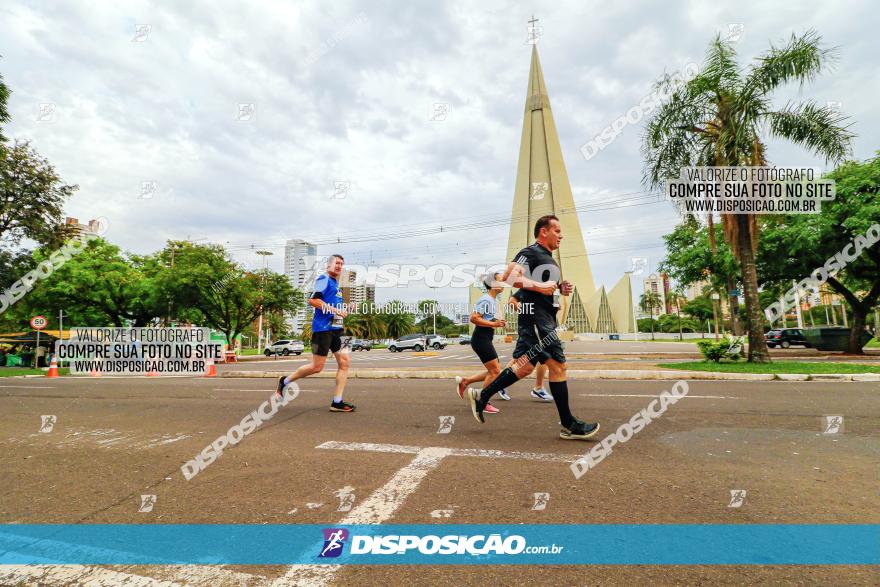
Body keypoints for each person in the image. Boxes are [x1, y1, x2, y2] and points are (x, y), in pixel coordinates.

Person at [466, 215, 600, 440]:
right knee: (558, 366)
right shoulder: (530, 251)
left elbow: (536, 288)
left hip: (544, 318)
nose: (561, 235)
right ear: (543, 232)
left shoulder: (545, 258)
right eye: (557, 231)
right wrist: (541, 287)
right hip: (537, 321)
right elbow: (509, 277)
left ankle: (482, 396)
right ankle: (568, 425)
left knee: (524, 367)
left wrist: (558, 287)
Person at [274, 254, 355, 412]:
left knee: (345, 363)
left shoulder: (336, 285)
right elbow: (313, 300)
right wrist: (335, 309)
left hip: (338, 329)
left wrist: (345, 309)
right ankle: (285, 381)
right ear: (329, 265)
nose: (339, 266)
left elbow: (334, 306)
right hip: (322, 330)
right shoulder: (323, 279)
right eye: (336, 263)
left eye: (341, 264)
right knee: (317, 367)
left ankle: (337, 402)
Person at [453, 273, 509, 414]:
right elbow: (474, 318)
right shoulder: (486, 299)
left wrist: (498, 323)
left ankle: (465, 382)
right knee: (495, 371)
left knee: (494, 371)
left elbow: (490, 321)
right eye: (500, 280)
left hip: (485, 338)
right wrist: (493, 323)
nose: (502, 283)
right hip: (480, 338)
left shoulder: (493, 300)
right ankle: (482, 401)